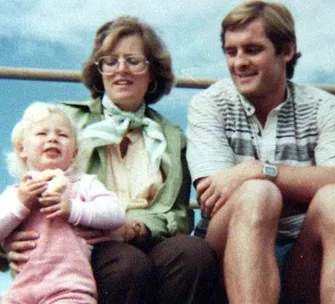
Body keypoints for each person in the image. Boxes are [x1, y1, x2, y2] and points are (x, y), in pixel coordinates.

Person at [4, 17, 218, 303]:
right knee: (126, 264)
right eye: (110, 61)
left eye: (133, 60)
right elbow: (22, 192)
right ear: (99, 70)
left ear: (152, 72)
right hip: (86, 245)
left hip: (147, 238)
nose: (121, 70)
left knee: (194, 253)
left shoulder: (171, 135)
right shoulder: (66, 120)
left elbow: (178, 214)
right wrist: (6, 248)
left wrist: (135, 227)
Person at [186, 1, 335, 303]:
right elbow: (213, 196)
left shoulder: (322, 105)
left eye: (252, 49)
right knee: (258, 196)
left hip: (301, 256)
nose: (239, 62)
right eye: (231, 52)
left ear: (287, 50)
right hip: (227, 253)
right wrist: (299, 187)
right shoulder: (209, 104)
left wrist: (259, 169)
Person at [0, 102, 126, 303]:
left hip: (69, 289)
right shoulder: (15, 193)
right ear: (21, 149)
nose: (52, 138)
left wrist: (74, 209)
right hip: (19, 292)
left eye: (63, 135)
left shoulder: (83, 184)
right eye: (42, 134)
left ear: (75, 152)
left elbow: (116, 213)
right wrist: (21, 203)